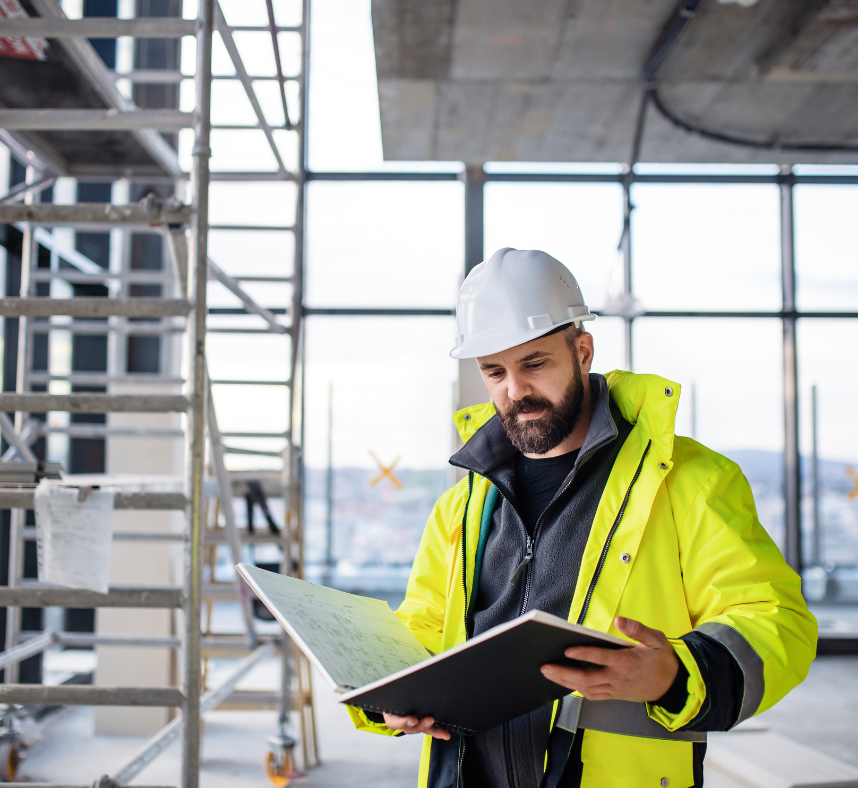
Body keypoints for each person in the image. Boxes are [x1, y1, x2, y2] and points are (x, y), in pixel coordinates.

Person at [347, 248, 817, 788]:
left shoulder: (691, 481)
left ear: (583, 350)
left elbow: (776, 620)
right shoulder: (464, 504)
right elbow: (425, 627)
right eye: (493, 372)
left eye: (535, 364)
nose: (514, 391)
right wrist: (386, 696)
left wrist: (676, 673)